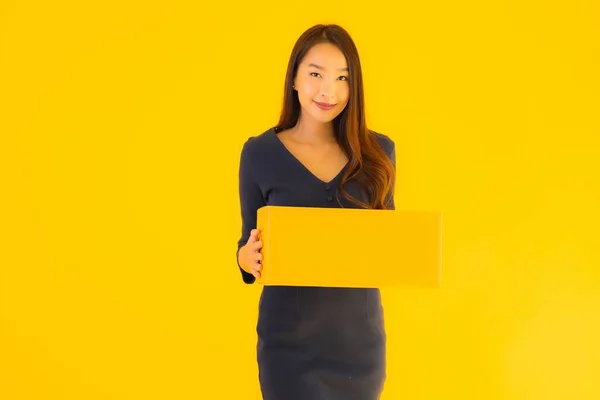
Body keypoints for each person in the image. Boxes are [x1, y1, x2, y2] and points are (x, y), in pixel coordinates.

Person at [235, 24, 396, 400]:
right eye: (315, 74)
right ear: (294, 78)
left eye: (343, 77)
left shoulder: (378, 154)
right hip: (287, 348)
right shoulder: (259, 153)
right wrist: (246, 258)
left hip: (359, 347)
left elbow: (388, 245)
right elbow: (247, 245)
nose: (329, 90)